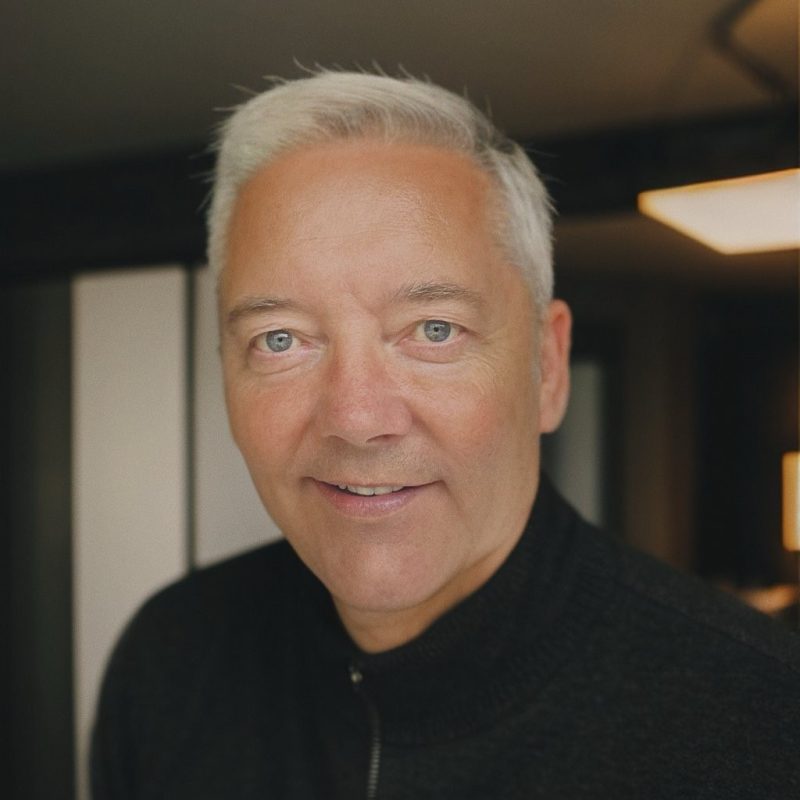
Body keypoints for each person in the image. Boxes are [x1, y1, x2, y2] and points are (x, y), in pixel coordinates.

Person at [92, 71, 800, 799]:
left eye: (434, 330)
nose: (357, 419)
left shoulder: (761, 718)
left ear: (547, 368)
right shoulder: (172, 660)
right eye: (280, 340)